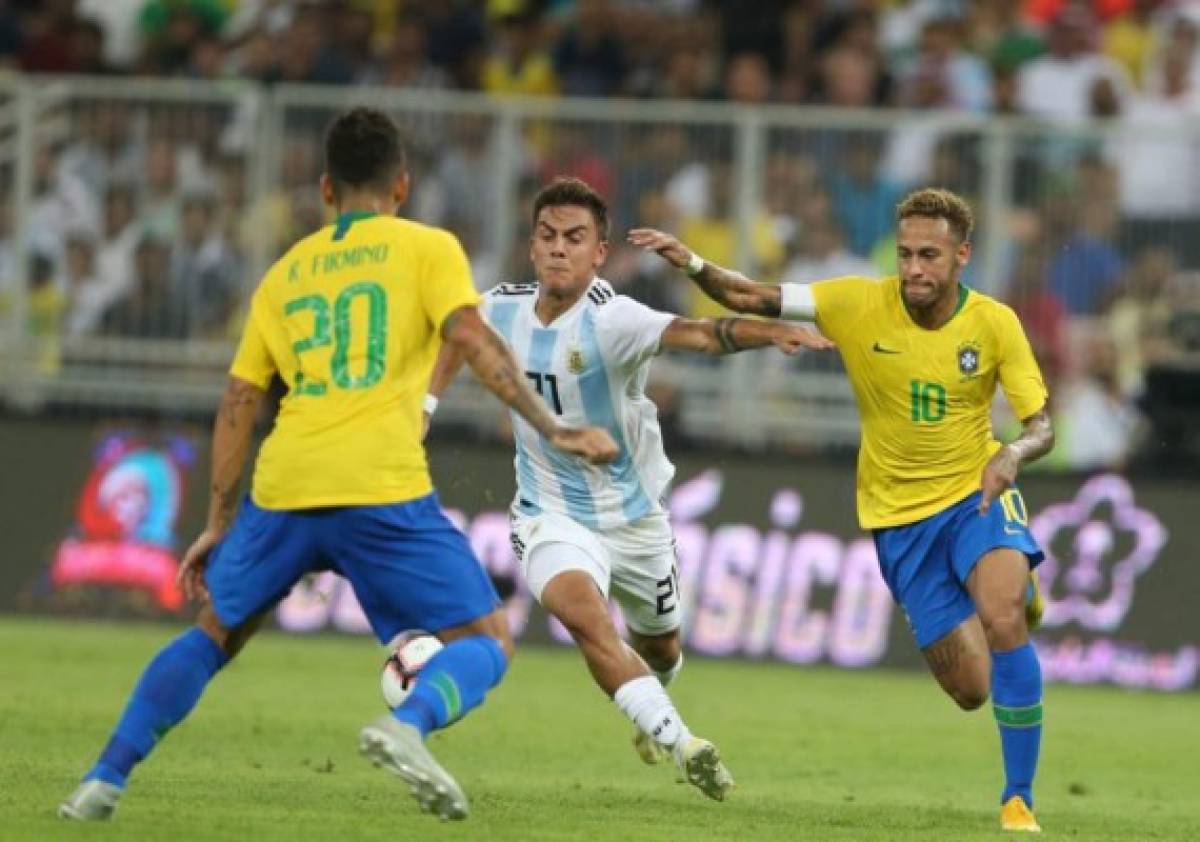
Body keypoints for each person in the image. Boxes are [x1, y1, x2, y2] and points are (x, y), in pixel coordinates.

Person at [58, 108, 618, 824]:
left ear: (326, 190)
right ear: (402, 186)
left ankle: (102, 779)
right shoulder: (428, 249)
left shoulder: (284, 275)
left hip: (286, 481)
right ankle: (407, 725)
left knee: (212, 634)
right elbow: (471, 339)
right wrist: (555, 427)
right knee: (486, 641)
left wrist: (216, 523)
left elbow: (237, 402)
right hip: (379, 485)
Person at [630, 186, 1052, 833]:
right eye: (907, 253)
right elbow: (751, 296)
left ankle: (1017, 797)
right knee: (970, 690)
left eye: (930, 256)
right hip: (899, 521)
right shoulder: (856, 301)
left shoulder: (995, 322)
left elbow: (1041, 424)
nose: (914, 268)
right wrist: (690, 264)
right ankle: (1013, 593)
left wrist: (1014, 455)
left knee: (1001, 618)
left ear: (961, 256)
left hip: (978, 493)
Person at [426, 177, 833, 802]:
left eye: (574, 239)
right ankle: (681, 741)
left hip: (635, 517)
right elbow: (458, 334)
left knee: (661, 644)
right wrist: (426, 402)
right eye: (547, 236)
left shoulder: (614, 319)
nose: (559, 249)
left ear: (599, 253)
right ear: (532, 246)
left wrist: (768, 333)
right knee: (584, 617)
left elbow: (702, 334)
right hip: (549, 512)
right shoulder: (499, 306)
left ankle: (653, 695)